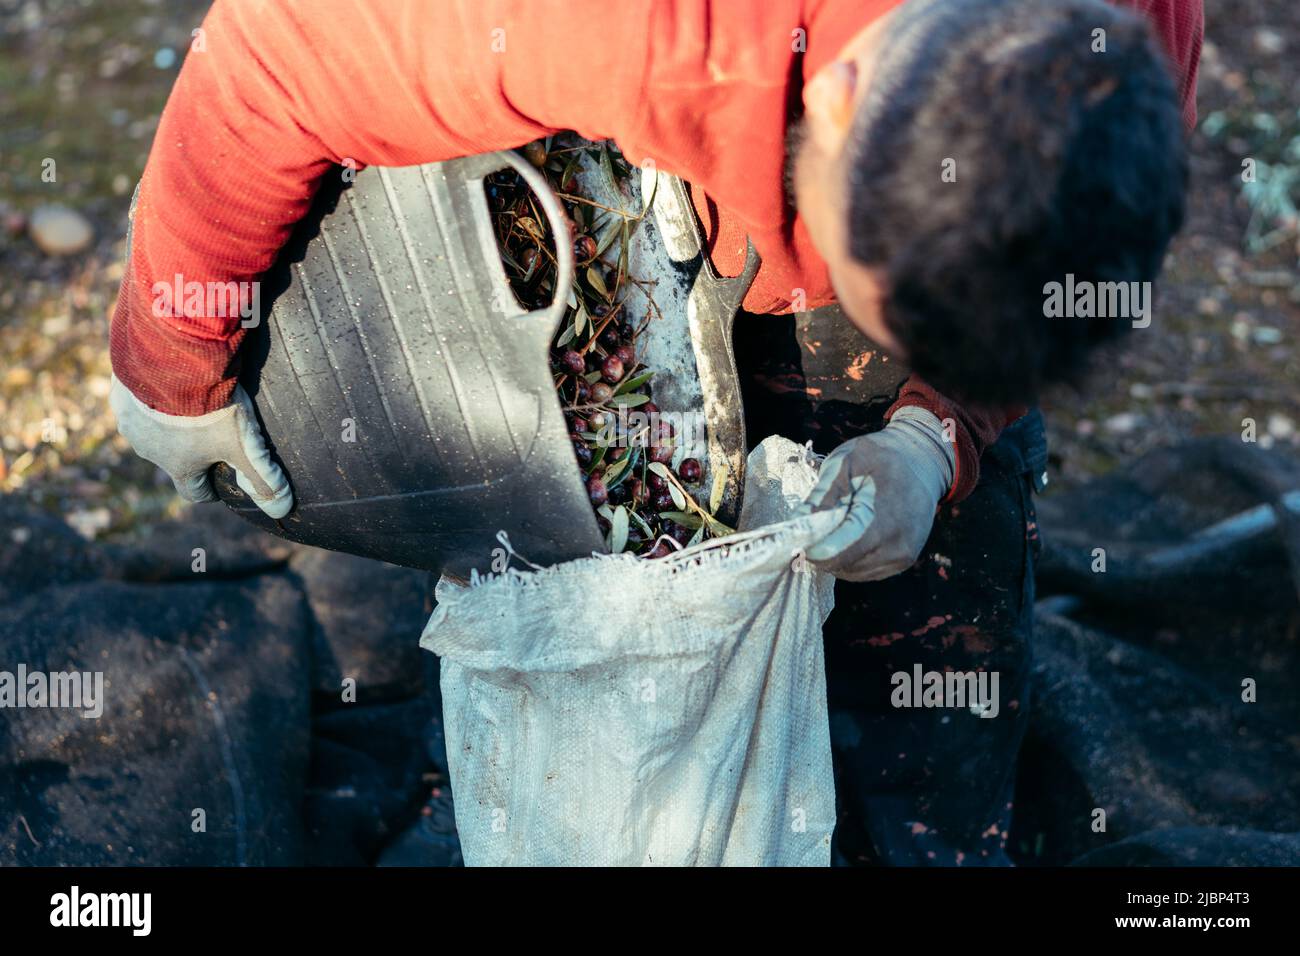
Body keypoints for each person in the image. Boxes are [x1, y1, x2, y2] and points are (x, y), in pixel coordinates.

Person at [108, 0, 1202, 864]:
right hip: (632, 171)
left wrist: (937, 432)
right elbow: (280, 49)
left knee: (926, 743)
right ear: (842, 103)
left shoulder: (1123, 38)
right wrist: (174, 355)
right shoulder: (621, 22)